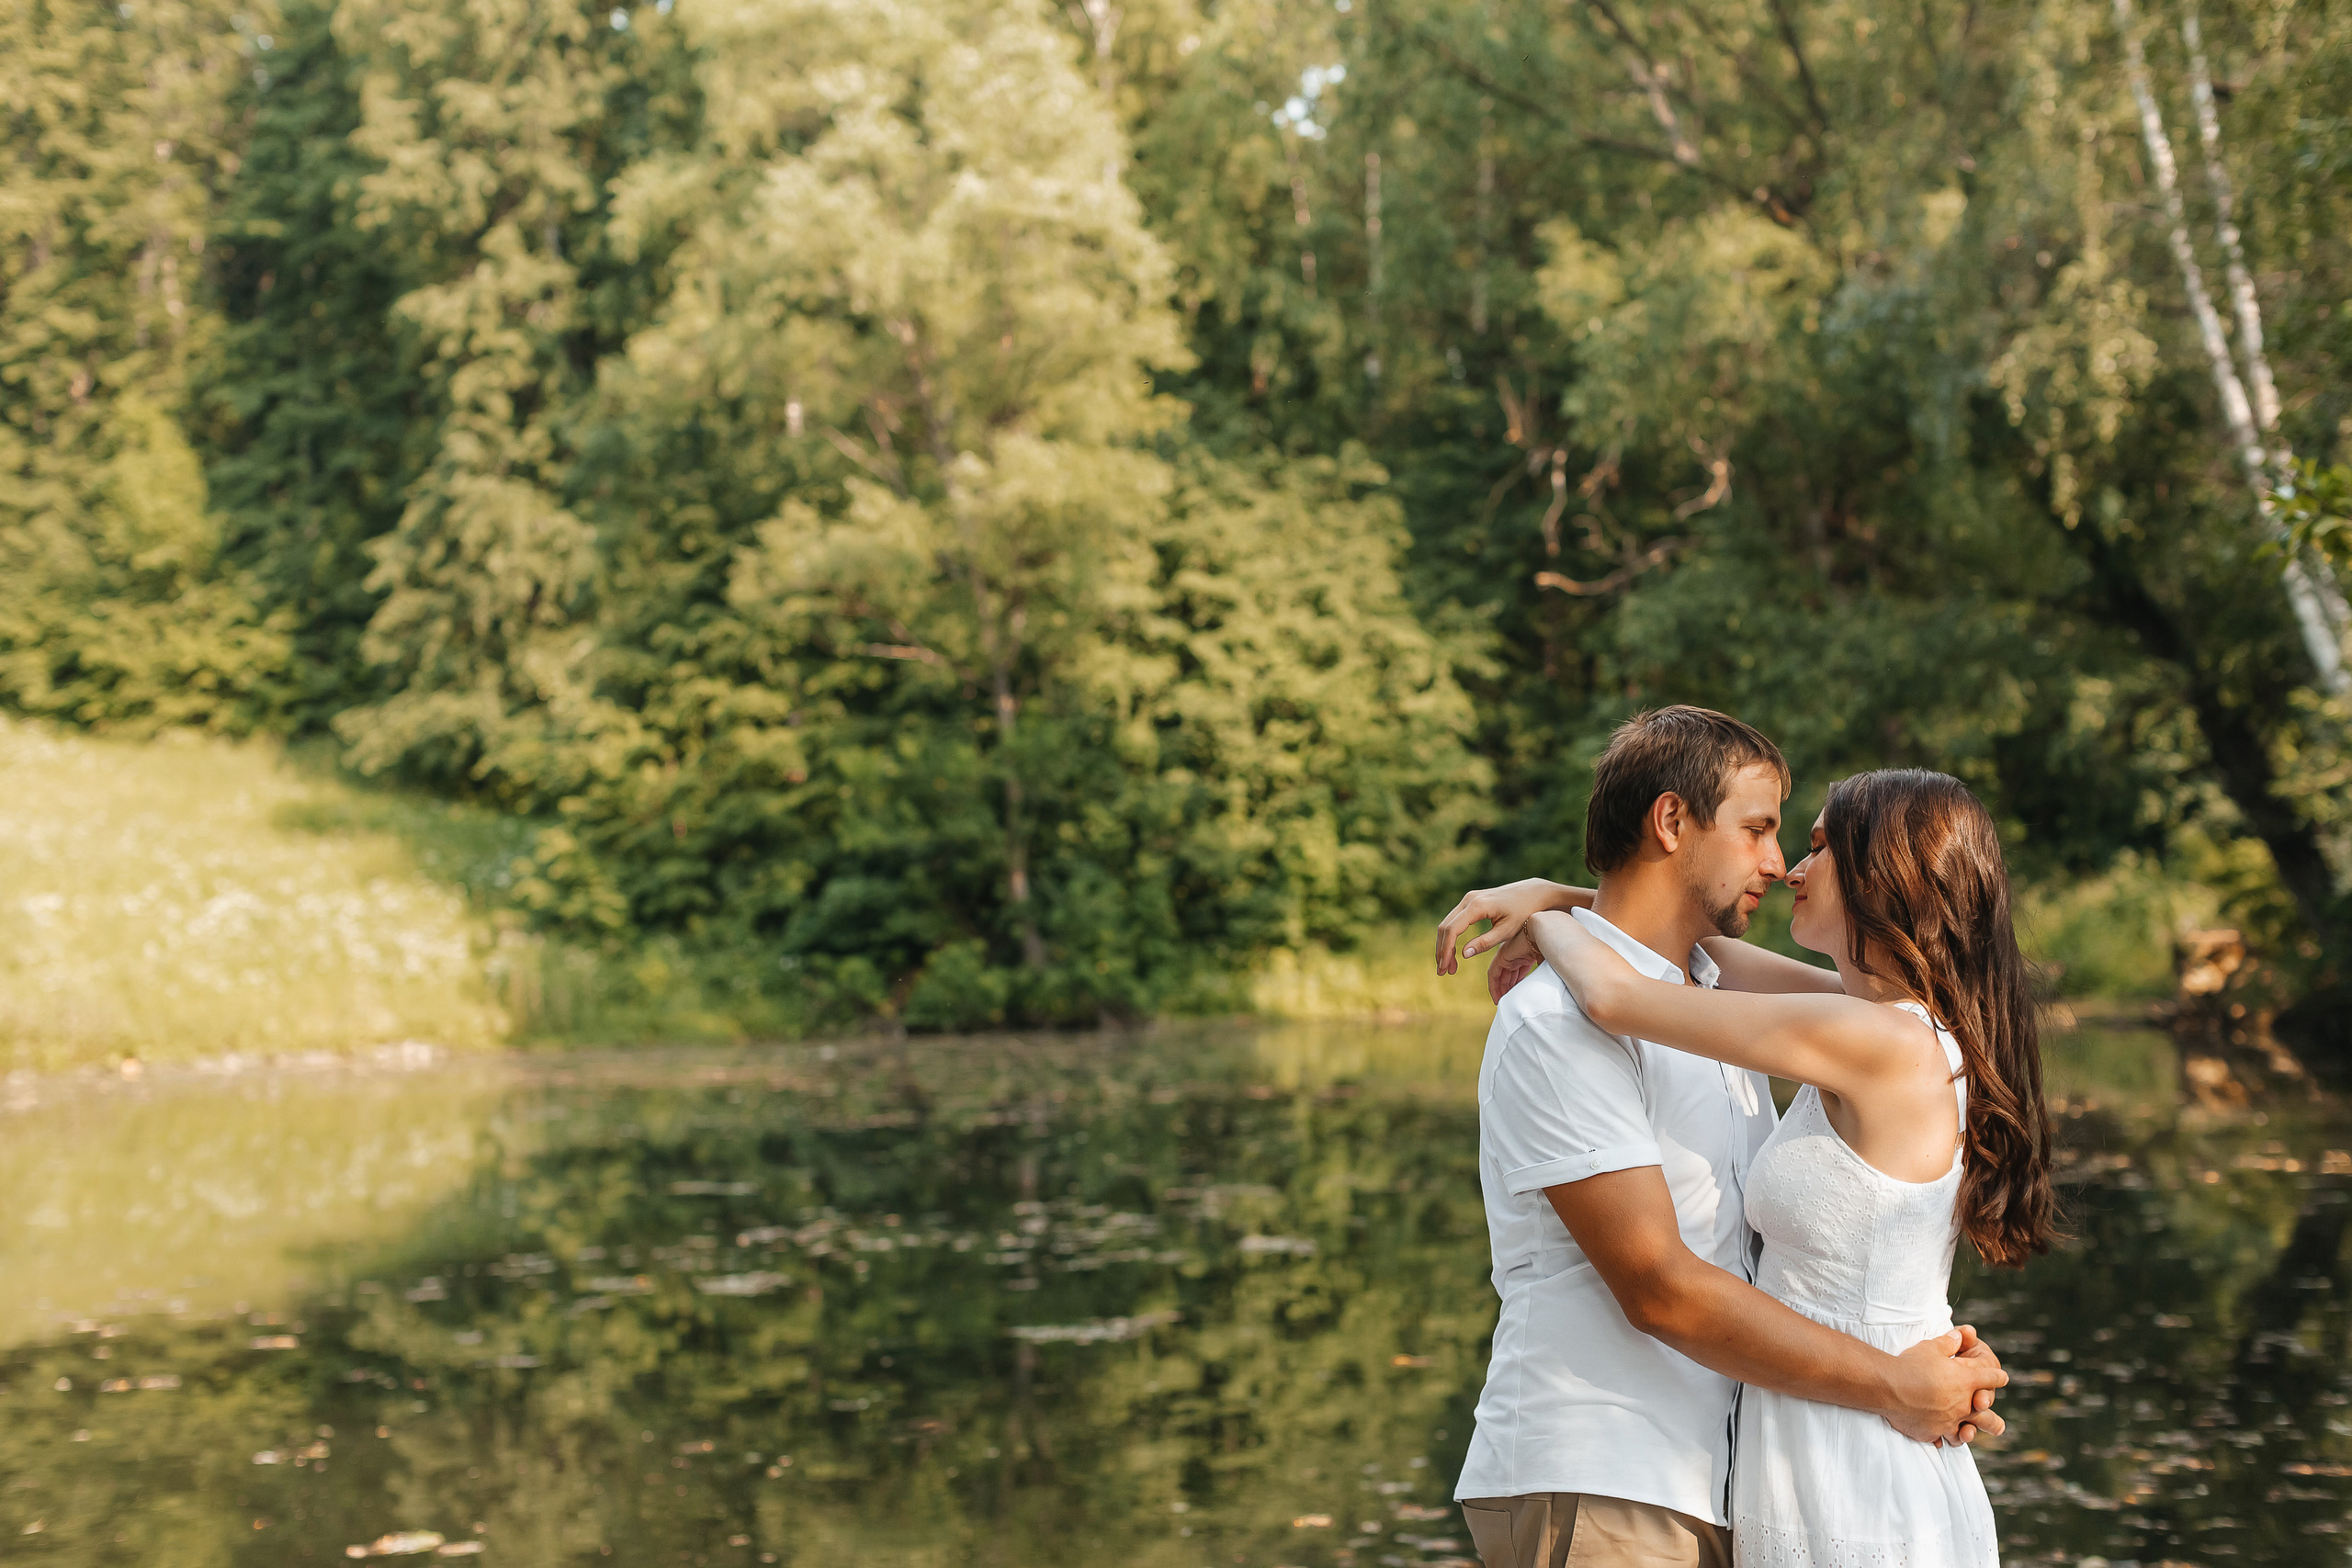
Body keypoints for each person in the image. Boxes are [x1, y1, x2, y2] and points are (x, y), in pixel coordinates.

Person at [1431, 707, 2026, 1568]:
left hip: (1746, 1467)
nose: (1782, 863)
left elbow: (1626, 986)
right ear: (1672, 822)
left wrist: (1544, 903)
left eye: (1806, 842)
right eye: (1759, 830)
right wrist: (1898, 1376)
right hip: (1611, 1474)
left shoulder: (1781, 1012)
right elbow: (1661, 1286)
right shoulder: (1561, 1019)